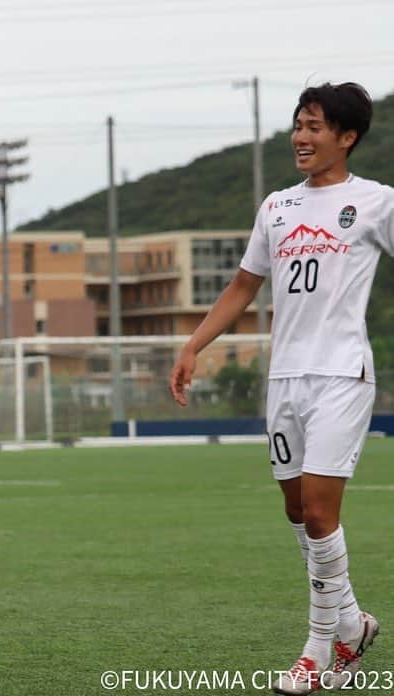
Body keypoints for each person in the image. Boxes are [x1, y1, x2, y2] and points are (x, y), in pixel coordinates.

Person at [169, 82, 390, 695]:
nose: (302, 136)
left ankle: (323, 648)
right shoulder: (277, 207)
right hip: (285, 378)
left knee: (320, 511)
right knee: (297, 511)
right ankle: (352, 621)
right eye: (298, 125)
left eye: (316, 126)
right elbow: (243, 287)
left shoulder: (375, 203)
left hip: (343, 374)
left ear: (346, 137)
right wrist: (194, 345)